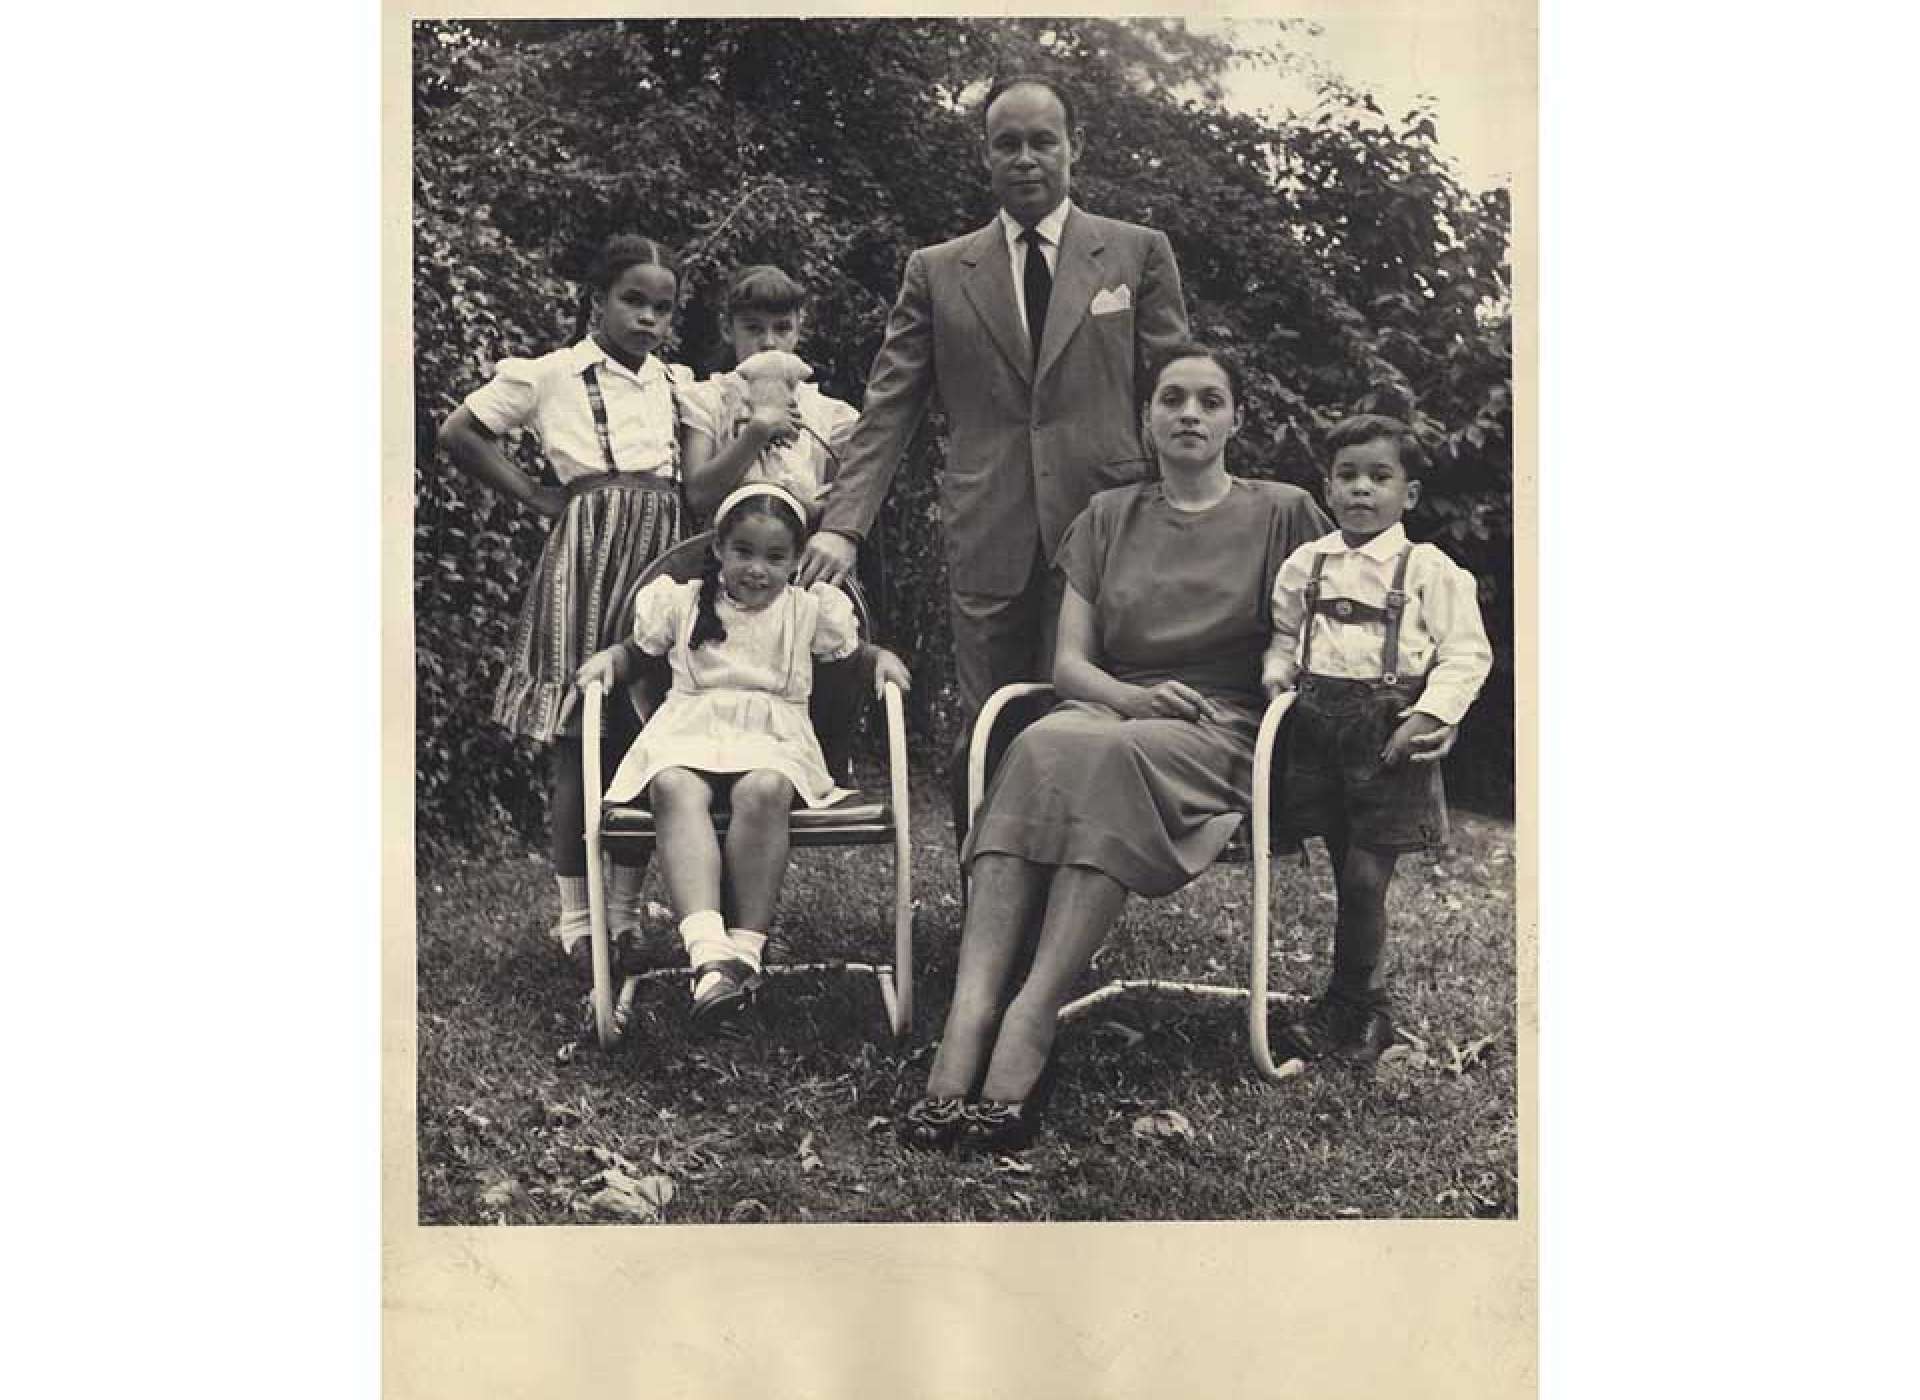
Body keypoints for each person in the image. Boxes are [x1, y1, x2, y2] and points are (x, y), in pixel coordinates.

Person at [899, 345, 1331, 1152]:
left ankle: (1031, 1019)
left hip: (1221, 721)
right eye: (1172, 399)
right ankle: (967, 1022)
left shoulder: (1283, 512)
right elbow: (1068, 666)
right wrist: (1130, 697)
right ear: (1148, 418)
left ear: (1238, 417)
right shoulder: (1108, 515)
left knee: (1109, 757)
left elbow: (1325, 631)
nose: (1190, 415)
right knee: (1038, 742)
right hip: (1114, 704)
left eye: (1210, 400)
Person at [796, 73, 1191, 841]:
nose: (1026, 158)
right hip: (988, 530)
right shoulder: (938, 270)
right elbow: (890, 408)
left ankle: (1061, 911)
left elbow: (1177, 397)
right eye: (1006, 143)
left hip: (1103, 528)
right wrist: (844, 524)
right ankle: (988, 907)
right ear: (985, 156)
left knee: (1081, 719)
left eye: (1043, 140)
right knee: (989, 723)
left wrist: (1182, 515)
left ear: (1076, 147)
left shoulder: (1138, 255)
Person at [435, 233, 711, 982]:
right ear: (596, 300)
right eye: (633, 301)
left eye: (663, 307)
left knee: (643, 739)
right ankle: (576, 917)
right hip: (587, 560)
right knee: (577, 740)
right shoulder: (552, 375)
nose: (648, 319)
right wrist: (531, 492)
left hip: (660, 564)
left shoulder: (676, 385)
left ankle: (622, 913)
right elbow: (460, 430)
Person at [575, 483, 913, 1028]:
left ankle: (745, 950)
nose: (757, 569)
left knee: (766, 788)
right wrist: (611, 661)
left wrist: (878, 660)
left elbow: (850, 656)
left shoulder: (809, 610)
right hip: (689, 725)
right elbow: (640, 653)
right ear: (718, 550)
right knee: (672, 786)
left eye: (776, 557)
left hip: (773, 733)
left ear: (798, 559)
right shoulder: (681, 602)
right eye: (744, 552)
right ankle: (708, 953)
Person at [1261, 415, 1493, 1063]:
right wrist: (1278, 673)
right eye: (1348, 476)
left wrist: (1431, 715)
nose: (1362, 489)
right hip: (1317, 733)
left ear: (1408, 495)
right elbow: (1285, 636)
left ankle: (1360, 1005)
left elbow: (1466, 655)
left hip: (1388, 735)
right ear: (1328, 487)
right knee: (1345, 868)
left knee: (1365, 878)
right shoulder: (1307, 564)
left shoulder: (1429, 569)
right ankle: (1353, 998)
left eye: (1379, 477)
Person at [676, 264, 859, 522]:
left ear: (799, 328)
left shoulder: (828, 413)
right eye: (753, 328)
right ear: (728, 329)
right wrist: (758, 431)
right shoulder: (708, 399)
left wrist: (816, 510)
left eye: (782, 328)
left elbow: (857, 488)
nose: (769, 343)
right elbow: (698, 496)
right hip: (720, 554)